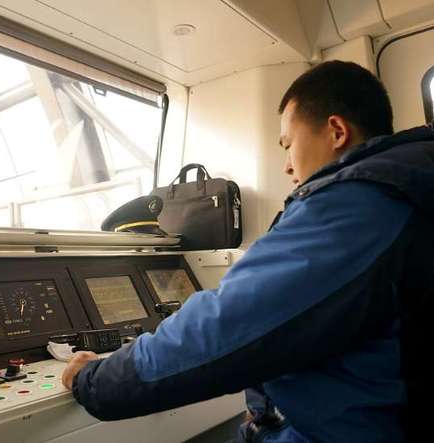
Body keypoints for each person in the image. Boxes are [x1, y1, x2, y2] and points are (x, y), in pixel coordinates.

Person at [61, 60, 434, 442]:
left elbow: (226, 327)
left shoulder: (359, 205)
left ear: (336, 131)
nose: (288, 166)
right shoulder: (406, 185)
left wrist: (96, 380)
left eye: (289, 145)